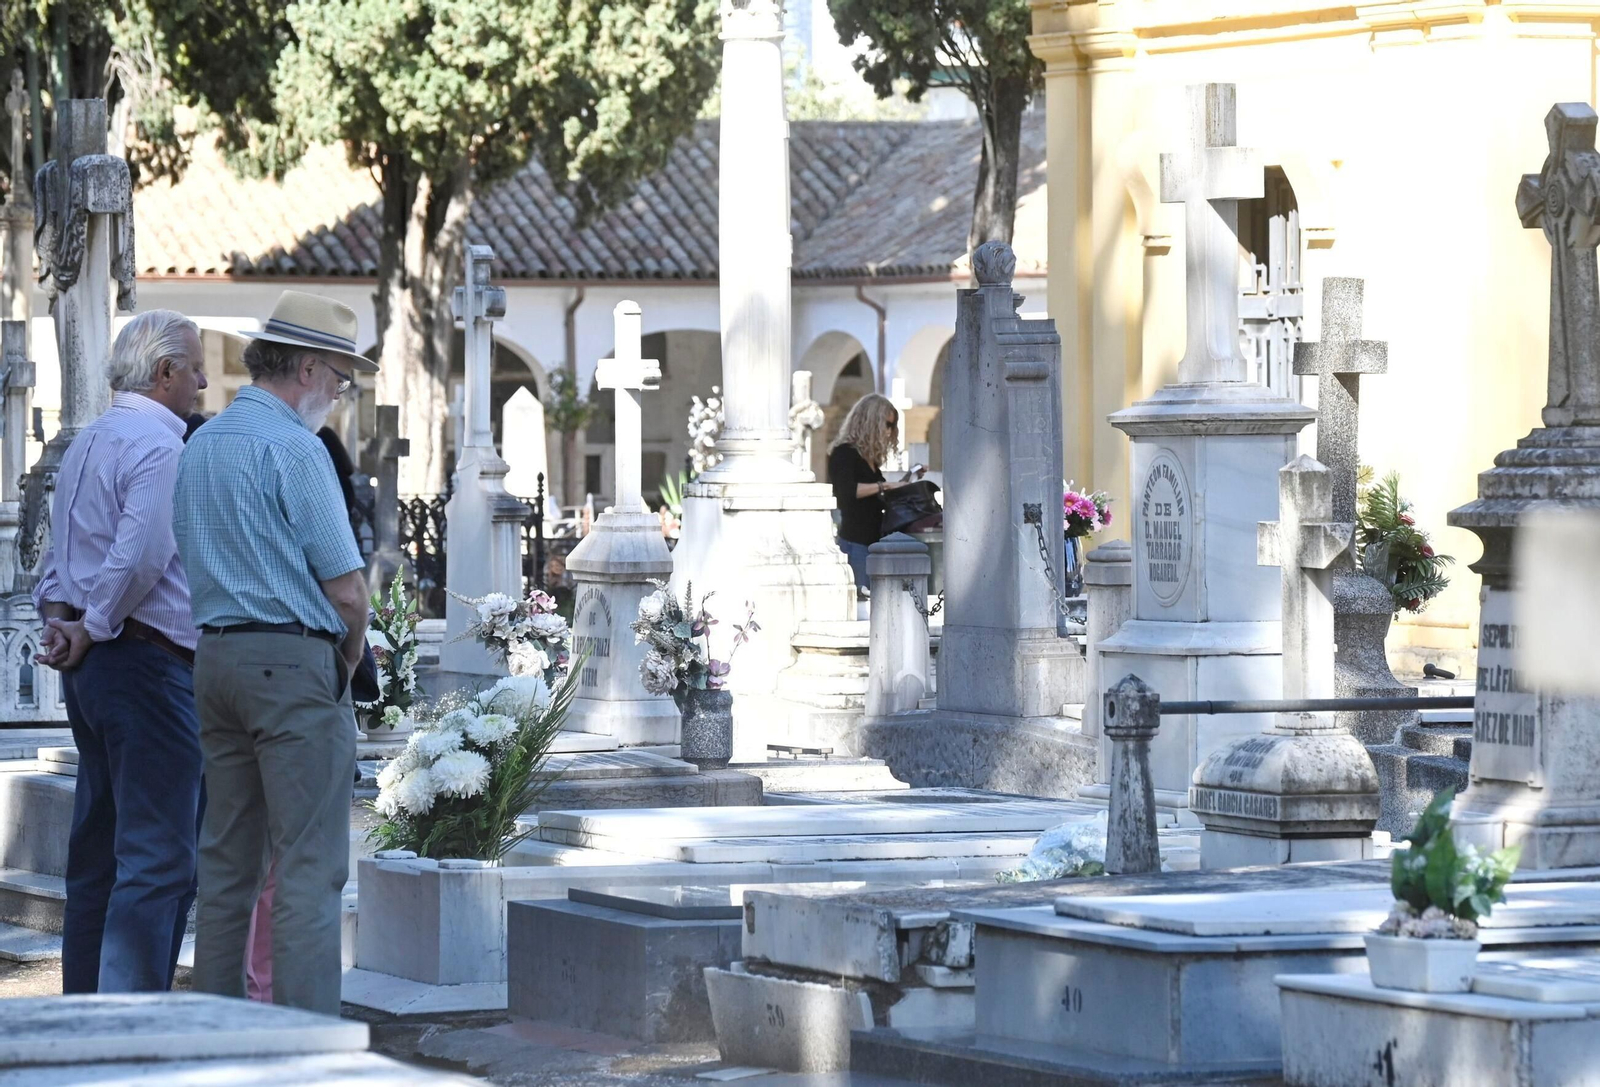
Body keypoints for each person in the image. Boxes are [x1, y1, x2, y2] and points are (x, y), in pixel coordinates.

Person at [174, 290, 375, 1015]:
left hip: (216, 656)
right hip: (290, 663)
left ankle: (219, 1026)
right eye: (341, 380)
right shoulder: (295, 447)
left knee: (227, 862)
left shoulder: (200, 442)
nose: (339, 396)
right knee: (309, 868)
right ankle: (306, 1042)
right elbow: (348, 590)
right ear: (312, 369)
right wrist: (349, 657)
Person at [33, 310, 208, 993]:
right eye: (193, 367)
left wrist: (62, 617)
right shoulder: (162, 446)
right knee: (158, 860)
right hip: (145, 661)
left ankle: (86, 1020)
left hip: (96, 665)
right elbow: (139, 554)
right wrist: (96, 620)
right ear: (163, 373)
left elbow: (59, 553)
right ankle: (129, 1036)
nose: (199, 380)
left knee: (99, 858)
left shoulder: (90, 440)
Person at [827, 392, 924, 591]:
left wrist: (907, 480)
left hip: (875, 543)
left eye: (893, 426)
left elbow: (878, 499)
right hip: (856, 543)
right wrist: (885, 485)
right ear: (870, 422)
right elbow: (845, 492)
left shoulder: (870, 460)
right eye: (886, 425)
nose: (889, 432)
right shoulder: (844, 453)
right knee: (862, 604)